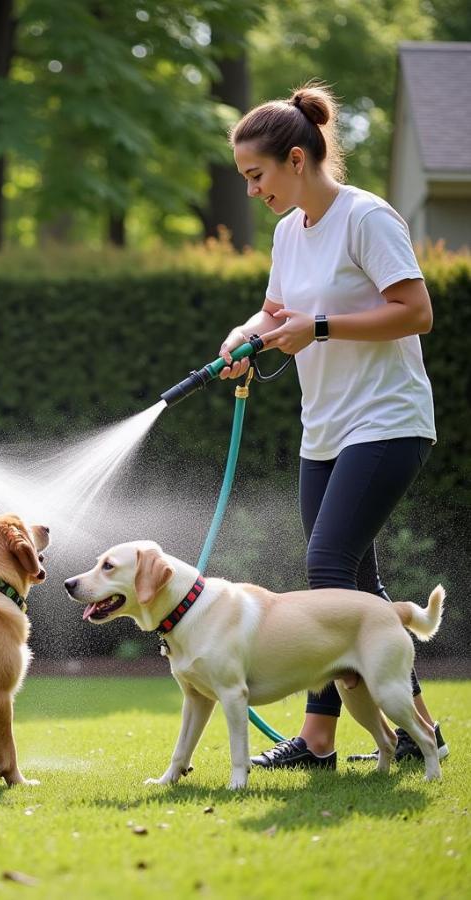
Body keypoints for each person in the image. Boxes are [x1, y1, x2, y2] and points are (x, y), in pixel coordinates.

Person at [217, 82, 447, 771]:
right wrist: (243, 335)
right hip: (325, 428)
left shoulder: (365, 218)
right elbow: (274, 310)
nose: (253, 192)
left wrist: (317, 327)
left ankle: (356, 735)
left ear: (295, 159)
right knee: (345, 579)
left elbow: (415, 311)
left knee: (327, 568)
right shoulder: (291, 231)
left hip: (388, 419)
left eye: (257, 176)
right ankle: (392, 733)